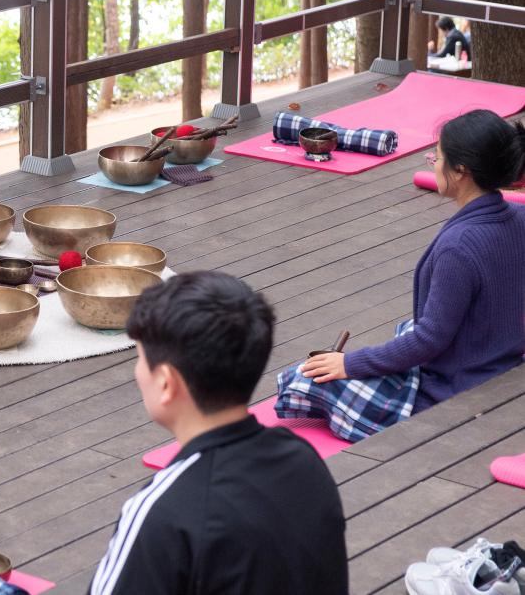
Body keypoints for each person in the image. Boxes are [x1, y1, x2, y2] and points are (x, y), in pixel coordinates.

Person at [90, 271, 347, 595]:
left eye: (141, 359)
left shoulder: (163, 511)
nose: (137, 372)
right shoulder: (303, 462)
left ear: (167, 383)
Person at [295, 110, 525, 433]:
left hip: (455, 390)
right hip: (503, 363)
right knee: (406, 330)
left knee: (303, 381)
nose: (433, 164)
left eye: (438, 158)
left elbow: (429, 340)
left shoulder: (459, 248)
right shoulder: (519, 216)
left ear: (460, 171)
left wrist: (349, 364)